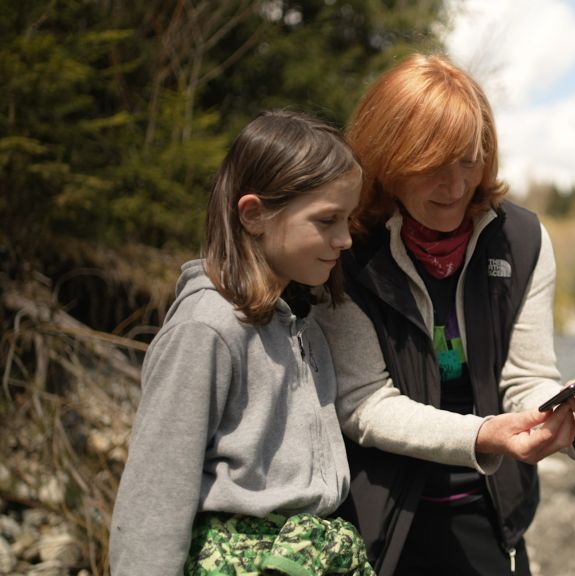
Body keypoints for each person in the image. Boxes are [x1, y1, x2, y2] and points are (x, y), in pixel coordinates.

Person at [318, 54, 575, 576]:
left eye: (468, 160)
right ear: (386, 159)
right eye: (431, 165)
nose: (454, 185)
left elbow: (528, 379)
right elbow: (363, 402)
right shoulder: (345, 247)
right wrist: (484, 435)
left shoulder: (523, 240)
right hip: (378, 522)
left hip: (493, 515)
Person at [109, 110, 375, 576]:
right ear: (254, 214)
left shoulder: (304, 323)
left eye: (348, 219)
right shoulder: (205, 327)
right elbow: (156, 491)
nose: (345, 239)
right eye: (328, 220)